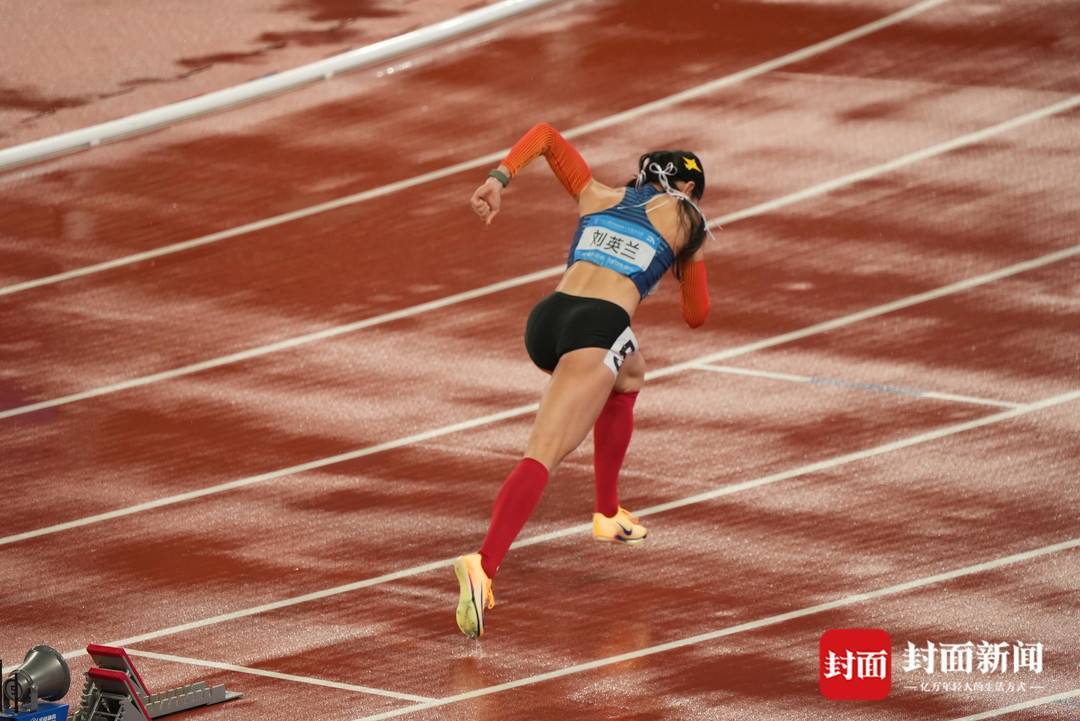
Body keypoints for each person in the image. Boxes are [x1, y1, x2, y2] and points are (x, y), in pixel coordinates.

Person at [453, 122, 711, 638]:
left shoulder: (598, 194)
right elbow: (696, 314)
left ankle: (607, 512)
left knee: (631, 370)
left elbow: (547, 136)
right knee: (542, 454)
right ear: (686, 188)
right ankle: (482, 566)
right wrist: (687, 256)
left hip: (547, 320)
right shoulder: (687, 216)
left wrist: (498, 179)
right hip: (596, 328)